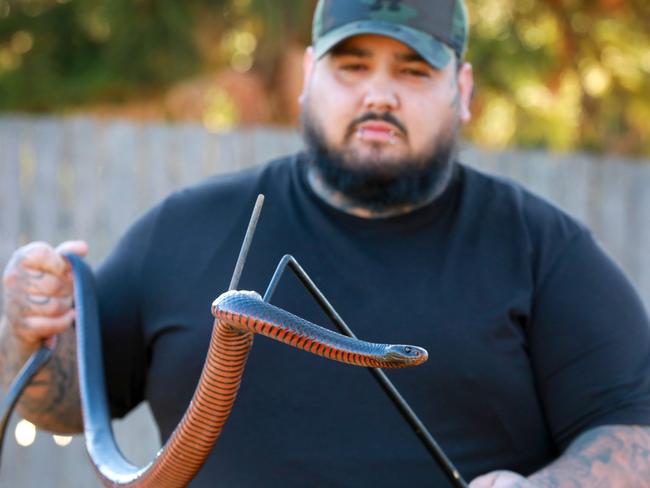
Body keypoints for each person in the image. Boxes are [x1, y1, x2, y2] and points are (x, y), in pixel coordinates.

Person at [2, 0, 650, 486]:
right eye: (352, 64)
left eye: (414, 70)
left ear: (464, 90)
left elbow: (637, 430)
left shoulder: (543, 250)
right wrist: (25, 330)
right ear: (310, 76)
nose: (379, 93)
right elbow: (65, 406)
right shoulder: (181, 230)